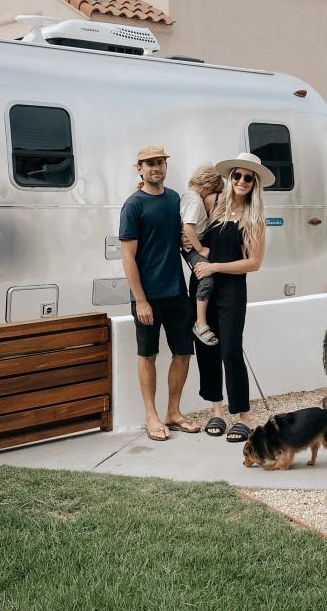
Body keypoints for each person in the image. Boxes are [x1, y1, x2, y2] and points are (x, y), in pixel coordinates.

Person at [119, 146, 201, 441]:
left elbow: (180, 239)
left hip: (177, 292)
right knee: (148, 355)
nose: (156, 167)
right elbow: (128, 257)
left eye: (161, 162)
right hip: (148, 297)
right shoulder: (133, 205)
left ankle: (174, 413)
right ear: (138, 168)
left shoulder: (174, 199)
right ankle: (151, 416)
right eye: (150, 163)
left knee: (182, 353)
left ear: (166, 166)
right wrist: (140, 299)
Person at [191, 151, 271, 443]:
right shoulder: (213, 204)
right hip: (202, 287)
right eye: (237, 175)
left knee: (231, 350)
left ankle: (243, 416)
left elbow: (253, 263)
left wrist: (215, 266)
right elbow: (189, 218)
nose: (240, 181)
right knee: (207, 348)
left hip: (232, 290)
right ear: (230, 177)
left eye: (248, 178)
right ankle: (216, 411)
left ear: (254, 184)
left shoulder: (254, 219)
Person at [180, 164, 225, 346]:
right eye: (211, 193)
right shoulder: (196, 201)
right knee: (207, 280)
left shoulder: (186, 196)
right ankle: (200, 322)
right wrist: (201, 249)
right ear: (207, 187)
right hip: (194, 248)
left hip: (188, 246)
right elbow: (189, 227)